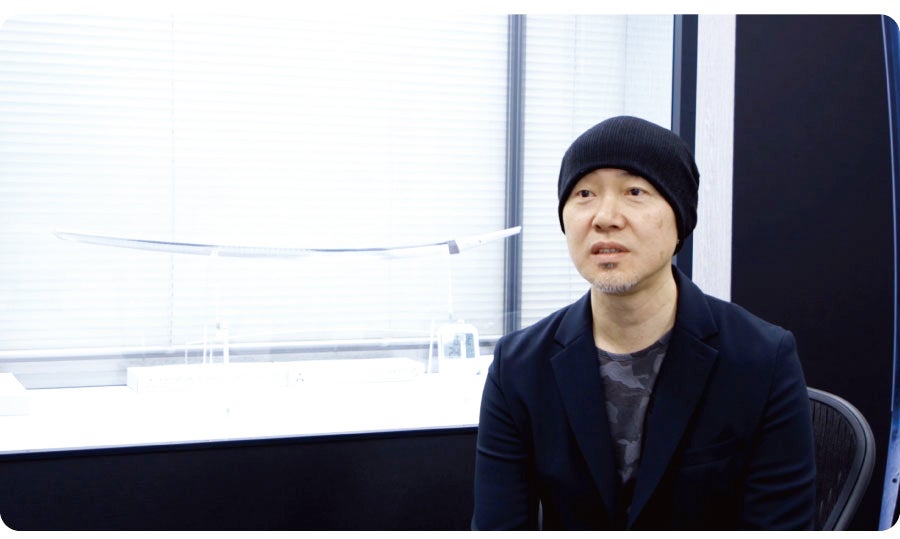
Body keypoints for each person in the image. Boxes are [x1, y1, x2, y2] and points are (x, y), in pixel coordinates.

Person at [471, 116, 816, 530]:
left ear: (680, 218)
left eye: (634, 191)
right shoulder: (518, 367)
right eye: (584, 193)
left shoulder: (761, 360)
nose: (605, 217)